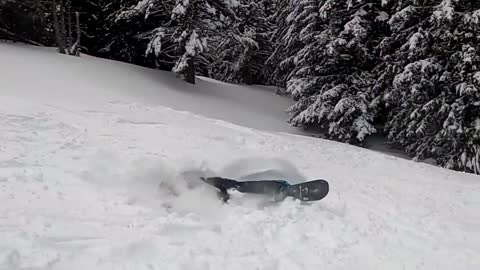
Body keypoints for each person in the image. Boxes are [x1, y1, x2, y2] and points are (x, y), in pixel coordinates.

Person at [201, 176, 291, 202]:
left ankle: (279, 187)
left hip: (230, 187)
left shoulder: (206, 183)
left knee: (240, 187)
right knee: (241, 188)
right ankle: (278, 187)